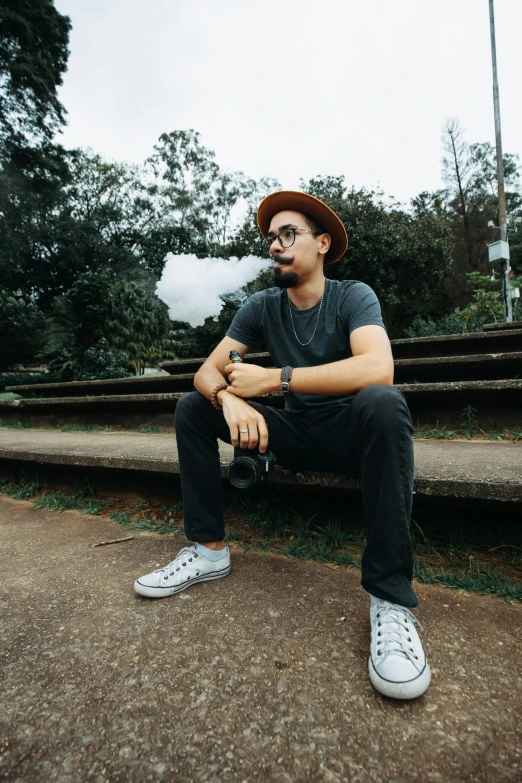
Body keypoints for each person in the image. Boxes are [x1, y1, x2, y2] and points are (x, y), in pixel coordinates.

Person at [134, 190, 431, 700]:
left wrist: (276, 380)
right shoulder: (260, 306)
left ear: (321, 243)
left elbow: (378, 368)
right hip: (287, 435)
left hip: (346, 436)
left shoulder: (353, 296)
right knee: (192, 408)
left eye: (287, 234)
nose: (275, 245)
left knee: (383, 403)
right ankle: (208, 551)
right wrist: (229, 401)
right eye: (270, 238)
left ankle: (390, 601)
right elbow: (207, 372)